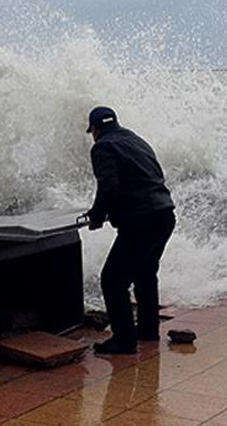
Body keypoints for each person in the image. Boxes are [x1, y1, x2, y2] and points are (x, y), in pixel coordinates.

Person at [83, 106, 176, 355]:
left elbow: (109, 186)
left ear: (95, 129)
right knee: (145, 273)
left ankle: (124, 340)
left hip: (141, 221)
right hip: (164, 215)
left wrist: (96, 216)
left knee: (112, 280)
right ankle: (147, 329)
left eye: (92, 130)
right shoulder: (136, 140)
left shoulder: (102, 147)